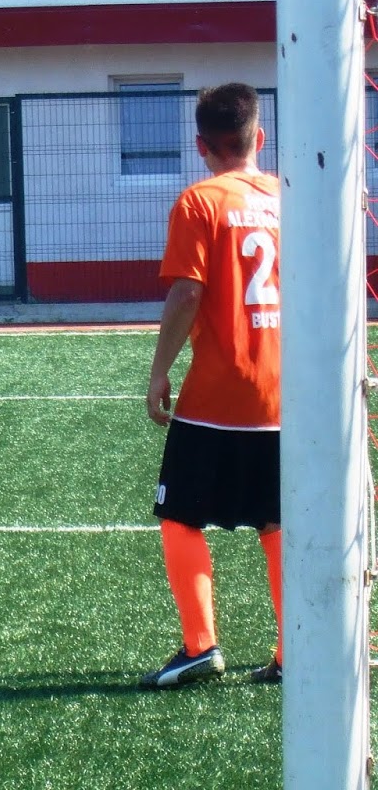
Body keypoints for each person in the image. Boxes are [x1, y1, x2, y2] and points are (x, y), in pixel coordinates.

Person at [141, 82, 284, 689]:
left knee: (179, 514)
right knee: (279, 520)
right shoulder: (288, 198)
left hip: (219, 397)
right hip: (287, 394)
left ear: (201, 145)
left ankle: (200, 645)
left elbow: (187, 291)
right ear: (260, 137)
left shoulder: (199, 202)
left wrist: (158, 371)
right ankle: (294, 649)